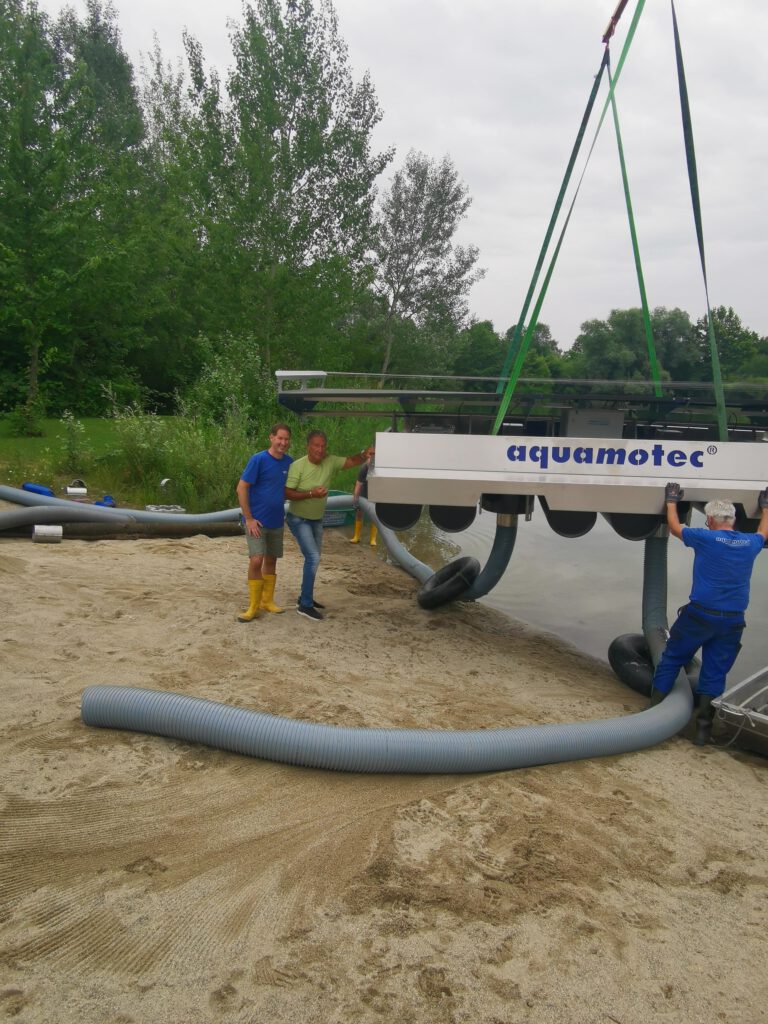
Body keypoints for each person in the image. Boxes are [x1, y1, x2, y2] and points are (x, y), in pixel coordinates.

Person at [650, 481, 768, 745]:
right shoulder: (749, 543)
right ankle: (703, 731)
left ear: (712, 520)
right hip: (733, 621)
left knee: (673, 658)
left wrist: (671, 501)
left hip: (699, 616)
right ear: (733, 520)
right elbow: (764, 532)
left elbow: (675, 528)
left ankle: (652, 712)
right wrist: (765, 507)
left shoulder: (706, 537)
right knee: (715, 672)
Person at [285, 431, 374, 620]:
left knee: (314, 560)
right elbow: (287, 494)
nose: (319, 449)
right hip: (298, 519)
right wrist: (311, 494)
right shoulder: (297, 466)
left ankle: (305, 597)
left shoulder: (330, 461)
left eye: (323, 445)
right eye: (316, 445)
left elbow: (350, 461)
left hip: (317, 519)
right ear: (308, 446)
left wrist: (364, 453)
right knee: (313, 557)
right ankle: (305, 605)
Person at [235, 423, 293, 622]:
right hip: (256, 522)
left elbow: (290, 489)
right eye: (280, 438)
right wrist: (249, 518)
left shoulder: (289, 463)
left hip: (277, 520)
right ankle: (253, 606)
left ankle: (267, 601)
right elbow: (241, 488)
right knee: (256, 559)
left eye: (286, 439)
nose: (283, 443)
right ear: (271, 437)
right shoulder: (258, 459)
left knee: (271, 560)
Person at [349, 459, 378, 547]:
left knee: (375, 513)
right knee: (359, 512)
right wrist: (355, 499)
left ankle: (373, 539)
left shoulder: (380, 468)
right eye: (369, 464)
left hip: (376, 488)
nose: (370, 466)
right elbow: (358, 484)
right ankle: (357, 536)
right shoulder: (364, 468)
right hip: (364, 488)